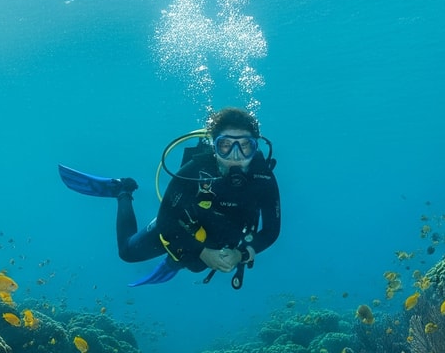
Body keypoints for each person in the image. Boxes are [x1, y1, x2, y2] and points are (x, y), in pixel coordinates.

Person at [59, 107, 281, 287]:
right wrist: (202, 251)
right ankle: (122, 190)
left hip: (222, 238)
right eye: (225, 146)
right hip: (181, 226)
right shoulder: (195, 169)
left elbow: (271, 230)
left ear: (256, 147)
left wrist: (239, 255)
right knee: (127, 253)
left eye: (245, 147)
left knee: (195, 264)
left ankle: (177, 260)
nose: (235, 156)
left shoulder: (263, 177)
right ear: (214, 148)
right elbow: (166, 219)